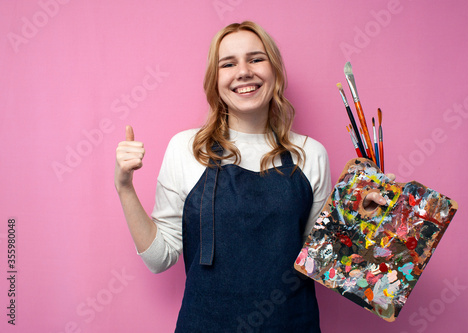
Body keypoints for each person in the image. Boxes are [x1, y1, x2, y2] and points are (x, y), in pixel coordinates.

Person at [115, 21, 390, 332]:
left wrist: (361, 217)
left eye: (256, 59)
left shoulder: (311, 154)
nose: (243, 71)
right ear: (214, 80)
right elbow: (158, 259)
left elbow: (320, 260)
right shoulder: (186, 149)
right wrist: (124, 188)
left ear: (274, 72)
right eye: (228, 63)